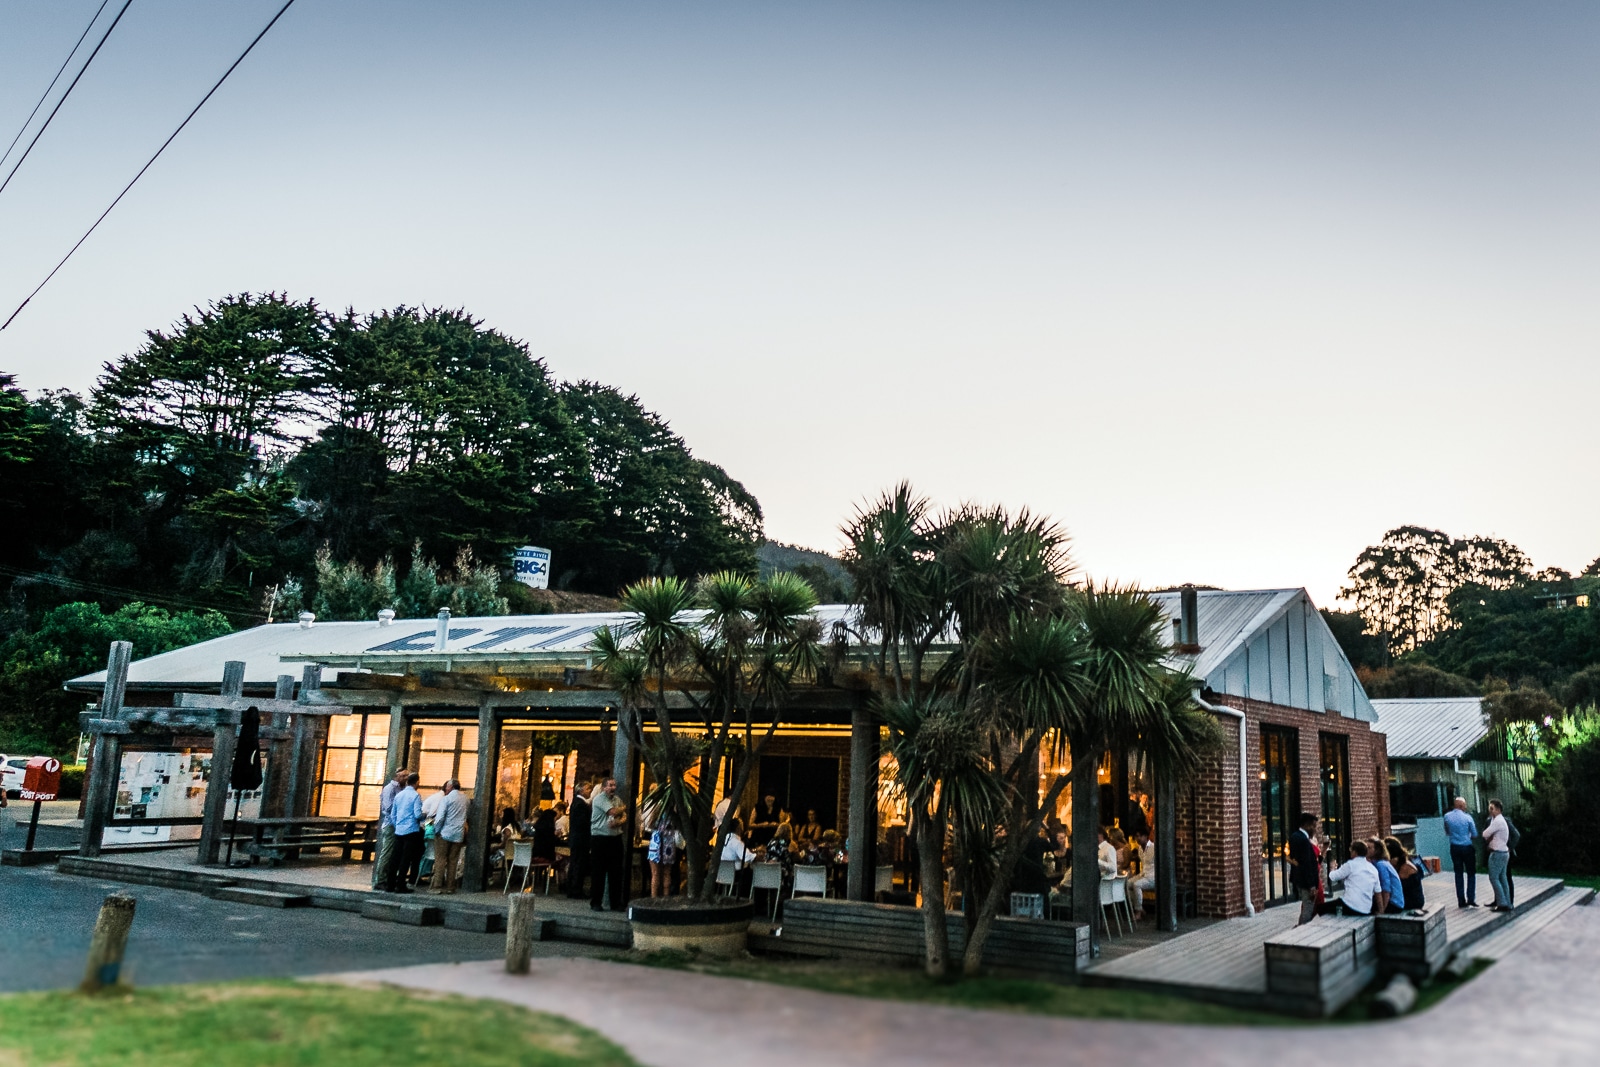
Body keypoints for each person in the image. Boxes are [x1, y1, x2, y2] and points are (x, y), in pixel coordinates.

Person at [589, 777, 626, 911]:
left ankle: (615, 903)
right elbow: (613, 812)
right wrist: (624, 807)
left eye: (614, 785)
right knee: (598, 871)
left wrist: (619, 822)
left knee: (616, 872)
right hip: (600, 838)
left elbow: (624, 816)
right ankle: (596, 902)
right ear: (604, 787)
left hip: (615, 838)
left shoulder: (617, 800)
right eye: (610, 785)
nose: (613, 788)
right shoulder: (599, 799)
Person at [384, 773, 425, 893]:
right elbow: (417, 814)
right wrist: (424, 815)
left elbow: (393, 814)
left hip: (399, 830)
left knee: (395, 858)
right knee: (406, 859)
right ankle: (401, 884)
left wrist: (397, 825)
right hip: (411, 830)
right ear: (417, 782)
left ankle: (390, 884)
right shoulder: (416, 796)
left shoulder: (399, 795)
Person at [371, 767, 409, 889]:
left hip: (399, 825)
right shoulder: (390, 789)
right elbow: (388, 807)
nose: (405, 778)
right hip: (390, 824)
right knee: (387, 852)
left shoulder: (403, 789)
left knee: (394, 853)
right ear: (397, 776)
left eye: (407, 776)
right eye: (403, 776)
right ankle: (380, 880)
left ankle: (388, 877)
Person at [430, 778, 468, 894]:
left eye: (447, 786)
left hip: (445, 833)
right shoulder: (465, 799)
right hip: (458, 834)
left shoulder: (446, 799)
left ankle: (437, 886)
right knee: (453, 860)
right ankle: (451, 887)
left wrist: (437, 830)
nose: (445, 788)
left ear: (450, 787)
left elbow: (440, 817)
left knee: (440, 859)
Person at [1443, 796, 1479, 908]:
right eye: (1465, 805)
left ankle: (1461, 900)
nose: (1466, 807)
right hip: (1467, 847)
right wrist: (1468, 835)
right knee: (1471, 873)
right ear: (1461, 806)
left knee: (1458, 873)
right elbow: (1475, 834)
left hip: (1455, 847)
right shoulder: (1468, 818)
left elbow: (1447, 831)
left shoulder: (1447, 816)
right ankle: (1471, 899)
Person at [1328, 840, 1380, 916]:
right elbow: (1378, 892)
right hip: (1366, 910)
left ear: (1355, 852)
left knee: (1321, 908)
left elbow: (1333, 877)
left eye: (1351, 850)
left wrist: (1332, 868)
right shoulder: (1373, 869)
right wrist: (1381, 910)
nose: (1350, 852)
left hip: (1350, 906)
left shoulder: (1350, 865)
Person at [1288, 811, 1322, 925]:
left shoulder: (1295, 836)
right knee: (1308, 909)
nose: (1315, 829)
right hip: (1306, 882)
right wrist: (1311, 885)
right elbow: (1306, 864)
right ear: (1307, 825)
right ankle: (1302, 930)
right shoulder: (1303, 840)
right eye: (1313, 826)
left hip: (1299, 879)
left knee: (1306, 908)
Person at [1483, 799, 1513, 912]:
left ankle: (1502, 903)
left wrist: (1490, 837)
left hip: (1497, 853)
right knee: (1502, 878)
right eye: (1489, 808)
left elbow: (1485, 833)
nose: (1490, 811)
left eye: (1492, 808)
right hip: (1504, 852)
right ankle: (1507, 902)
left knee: (1494, 878)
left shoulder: (1498, 821)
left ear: (1498, 809)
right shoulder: (1499, 820)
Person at [565, 781, 592, 898]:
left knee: (575, 863)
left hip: (577, 839)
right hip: (580, 839)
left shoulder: (577, 803)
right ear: (581, 791)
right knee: (579, 864)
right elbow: (583, 822)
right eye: (587, 789)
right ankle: (576, 890)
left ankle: (572, 888)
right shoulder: (580, 805)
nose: (590, 791)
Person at [648, 807, 681, 897]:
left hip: (656, 843)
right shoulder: (673, 814)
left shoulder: (657, 810)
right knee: (667, 873)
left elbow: (650, 825)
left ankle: (654, 898)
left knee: (655, 874)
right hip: (669, 844)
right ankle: (666, 897)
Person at [1386, 836, 1424, 911]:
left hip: (1411, 902)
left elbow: (1397, 886)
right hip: (1412, 899)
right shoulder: (1402, 861)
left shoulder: (1405, 867)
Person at [1126, 828, 1156, 921]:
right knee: (1127, 883)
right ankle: (1139, 907)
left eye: (1140, 836)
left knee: (1137, 885)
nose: (1138, 839)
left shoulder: (1153, 848)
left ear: (1145, 836)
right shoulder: (1140, 849)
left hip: (1152, 876)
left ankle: (1138, 912)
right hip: (1143, 874)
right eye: (1136, 836)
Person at [1370, 836, 1404, 914]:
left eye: (1369, 848)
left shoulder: (1380, 865)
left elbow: (1386, 890)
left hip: (1393, 904)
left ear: (1377, 851)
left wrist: (1382, 910)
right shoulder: (1379, 863)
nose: (1366, 850)